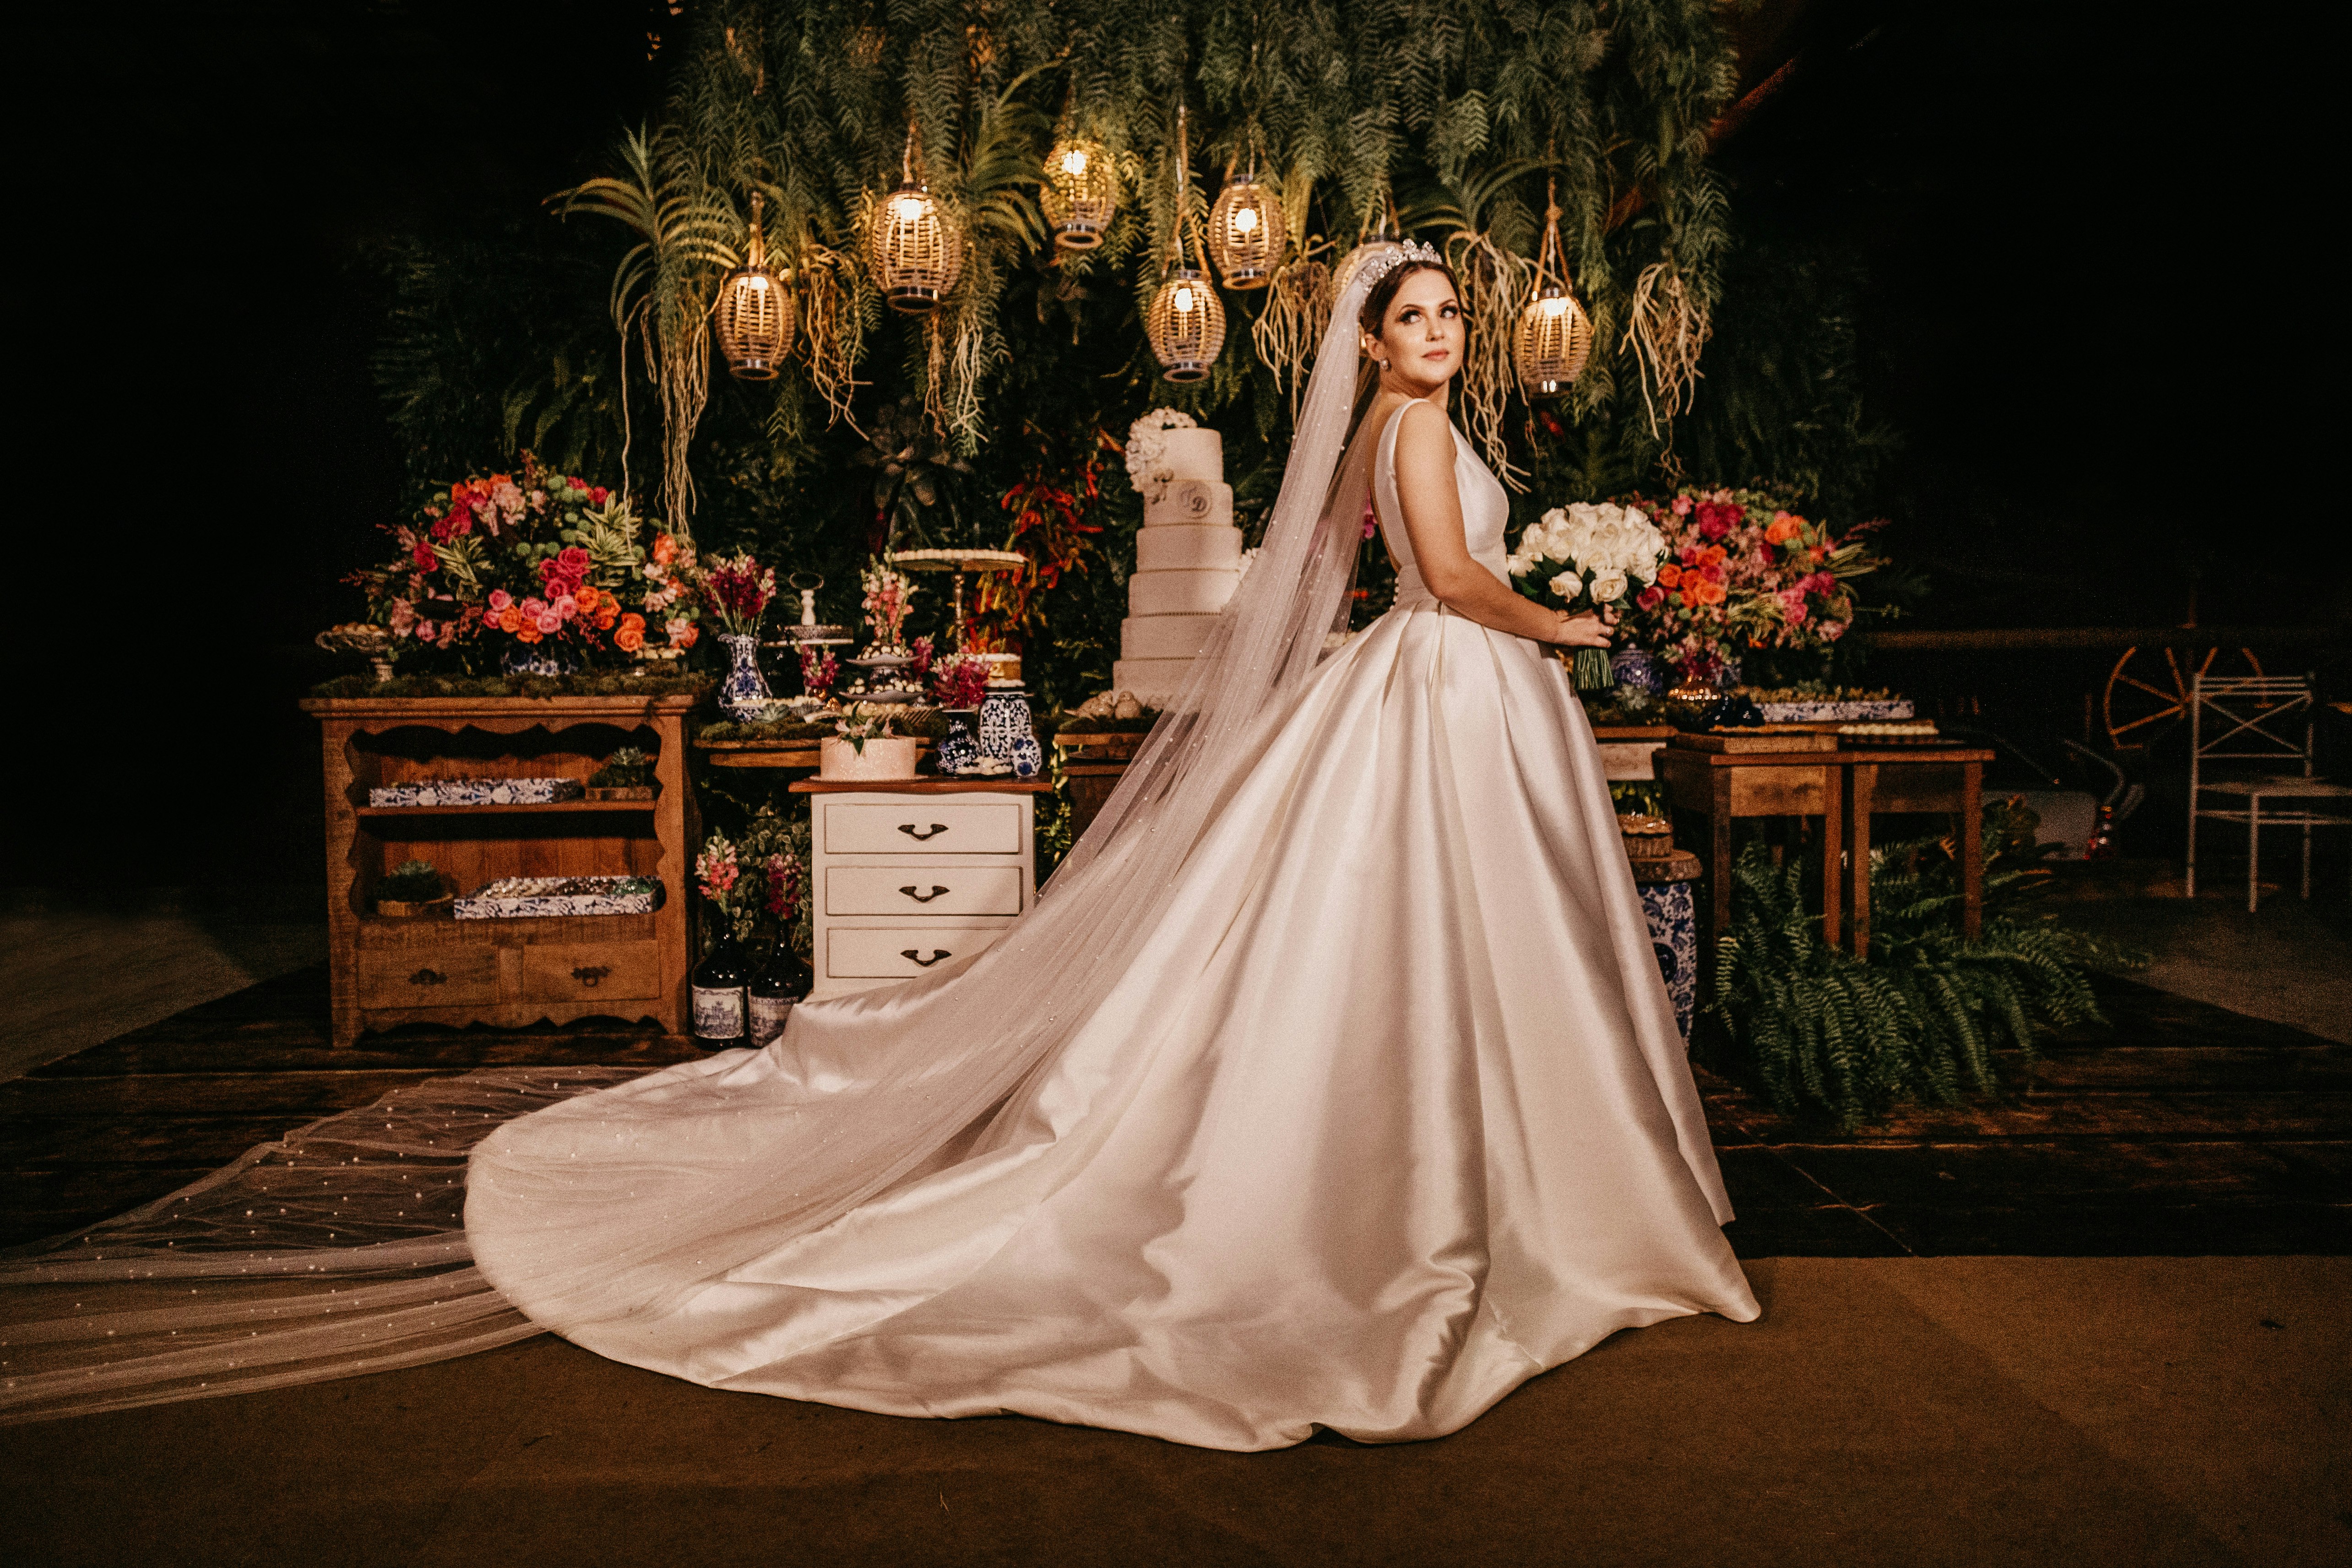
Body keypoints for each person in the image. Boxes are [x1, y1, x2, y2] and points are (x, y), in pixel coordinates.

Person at [0, 244, 1756, 1446]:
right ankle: (1464, 1192)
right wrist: (1577, 623)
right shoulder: (1420, 429)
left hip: (1435, 698)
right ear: (1373, 347)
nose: (1443, 332)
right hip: (1451, 684)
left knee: (1402, 948)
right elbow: (1447, 584)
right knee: (1421, 946)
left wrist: (1523, 619)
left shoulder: (1401, 422)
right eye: (1419, 315)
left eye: (1455, 312)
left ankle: (1459, 1170)